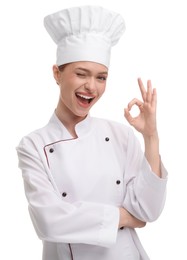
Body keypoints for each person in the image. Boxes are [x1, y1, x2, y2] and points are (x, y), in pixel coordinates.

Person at [16, 5, 168, 260]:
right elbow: (49, 221)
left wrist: (151, 137)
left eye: (101, 77)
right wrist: (124, 217)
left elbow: (148, 211)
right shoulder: (33, 145)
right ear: (57, 73)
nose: (91, 87)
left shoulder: (121, 135)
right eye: (81, 74)